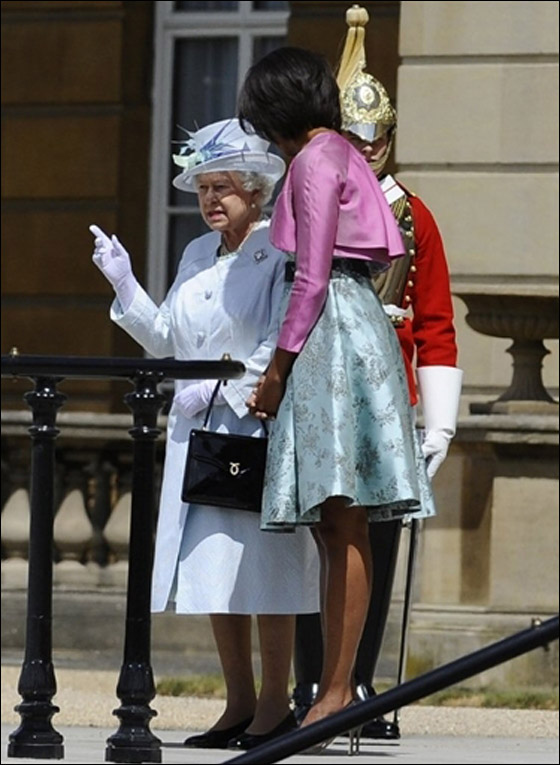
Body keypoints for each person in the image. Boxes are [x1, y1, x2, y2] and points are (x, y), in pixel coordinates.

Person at [89, 118, 321, 751]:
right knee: (216, 569)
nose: (211, 199)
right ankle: (238, 702)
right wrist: (125, 285)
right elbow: (166, 337)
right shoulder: (196, 253)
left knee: (267, 568)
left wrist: (223, 388)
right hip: (200, 435)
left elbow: (283, 337)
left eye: (222, 187)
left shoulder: (279, 248)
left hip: (255, 426)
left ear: (254, 189)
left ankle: (276, 705)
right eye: (202, 189)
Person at [237, 46, 435, 753]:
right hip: (351, 324)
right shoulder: (341, 153)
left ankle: (336, 689)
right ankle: (334, 685)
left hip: (331, 334)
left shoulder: (315, 160)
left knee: (341, 517)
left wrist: (277, 370)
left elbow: (311, 276)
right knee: (337, 522)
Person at [292, 6, 463, 741]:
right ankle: (311, 677)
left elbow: (435, 321)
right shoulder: (311, 194)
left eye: (377, 139)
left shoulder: (413, 214)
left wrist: (439, 422)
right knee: (315, 539)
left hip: (387, 391)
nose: (368, 150)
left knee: (377, 542)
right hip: (318, 382)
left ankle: (358, 680)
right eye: (356, 138)